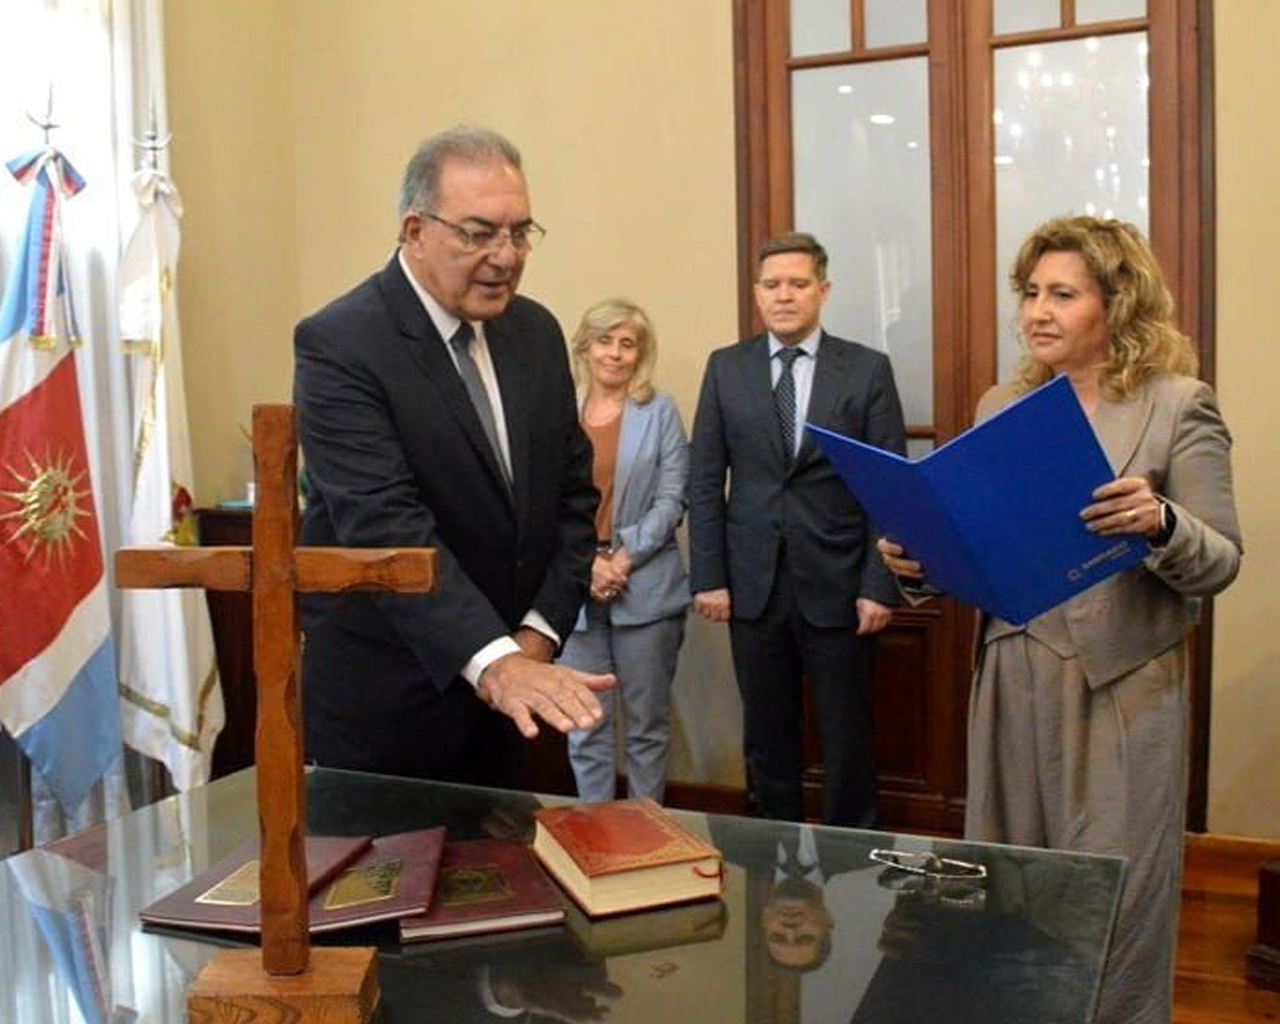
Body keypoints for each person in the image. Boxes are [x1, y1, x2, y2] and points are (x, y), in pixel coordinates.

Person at [878, 215, 1243, 1024]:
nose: (1037, 311)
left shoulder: (1178, 405)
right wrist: (921, 562)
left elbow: (1220, 561)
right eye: (1031, 293)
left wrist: (1161, 523)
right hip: (1011, 674)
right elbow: (983, 546)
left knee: (1110, 894)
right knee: (1003, 886)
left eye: (1062, 294)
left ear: (1118, 302)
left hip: (1121, 687)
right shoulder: (1002, 404)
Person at [293, 125, 614, 789]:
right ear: (415, 230)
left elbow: (573, 501)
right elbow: (385, 526)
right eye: (478, 233)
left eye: (520, 233)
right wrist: (494, 661)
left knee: (505, 856)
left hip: (514, 702)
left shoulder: (535, 333)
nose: (506, 256)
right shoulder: (341, 343)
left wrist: (535, 637)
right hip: (389, 711)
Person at [689, 231, 907, 827]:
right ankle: (771, 856)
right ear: (757, 293)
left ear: (823, 291)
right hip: (752, 587)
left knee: (848, 736)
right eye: (772, 285)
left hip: (841, 585)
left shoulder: (866, 370)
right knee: (766, 738)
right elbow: (705, 481)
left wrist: (879, 584)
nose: (783, 295)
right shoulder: (726, 368)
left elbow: (890, 488)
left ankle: (849, 860)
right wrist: (709, 577)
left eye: (797, 284)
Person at [558, 299, 690, 803]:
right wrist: (588, 562)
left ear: (640, 354)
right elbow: (544, 500)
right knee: (585, 725)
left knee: (646, 727)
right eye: (604, 341)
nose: (614, 353)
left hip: (646, 586)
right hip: (574, 587)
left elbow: (672, 498)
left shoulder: (659, 411)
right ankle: (593, 833)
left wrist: (622, 558)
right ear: (584, 348)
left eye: (627, 344)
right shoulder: (558, 410)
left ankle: (646, 835)